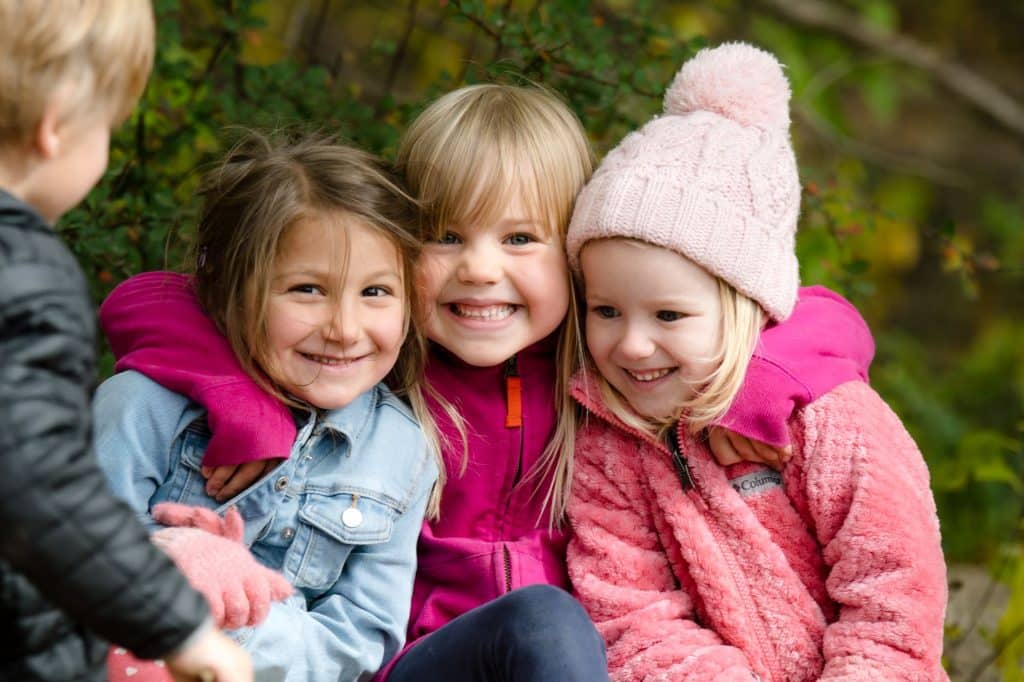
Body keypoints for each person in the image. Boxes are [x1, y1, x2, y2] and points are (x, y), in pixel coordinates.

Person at [98, 84, 874, 681]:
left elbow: (824, 318)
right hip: (412, 664)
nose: (479, 268)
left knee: (551, 623)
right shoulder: (378, 359)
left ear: (574, 252)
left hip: (576, 659)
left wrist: (756, 384)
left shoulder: (608, 365)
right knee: (542, 620)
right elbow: (153, 300)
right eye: (445, 235)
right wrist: (247, 406)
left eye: (520, 238)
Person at [564, 42, 948, 681]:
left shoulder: (828, 421)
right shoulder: (607, 441)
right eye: (605, 311)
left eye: (668, 316)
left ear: (746, 304)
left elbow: (894, 595)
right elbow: (631, 617)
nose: (631, 345)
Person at [91, 132, 440, 682]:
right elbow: (72, 547)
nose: (344, 329)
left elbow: (362, 635)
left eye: (375, 292)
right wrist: (179, 569)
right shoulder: (144, 406)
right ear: (233, 290)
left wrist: (234, 627)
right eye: (307, 289)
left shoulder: (402, 450)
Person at [0, 1, 252, 680]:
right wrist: (179, 627)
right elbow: (39, 483)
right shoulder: (22, 272)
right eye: (108, 127)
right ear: (55, 127)